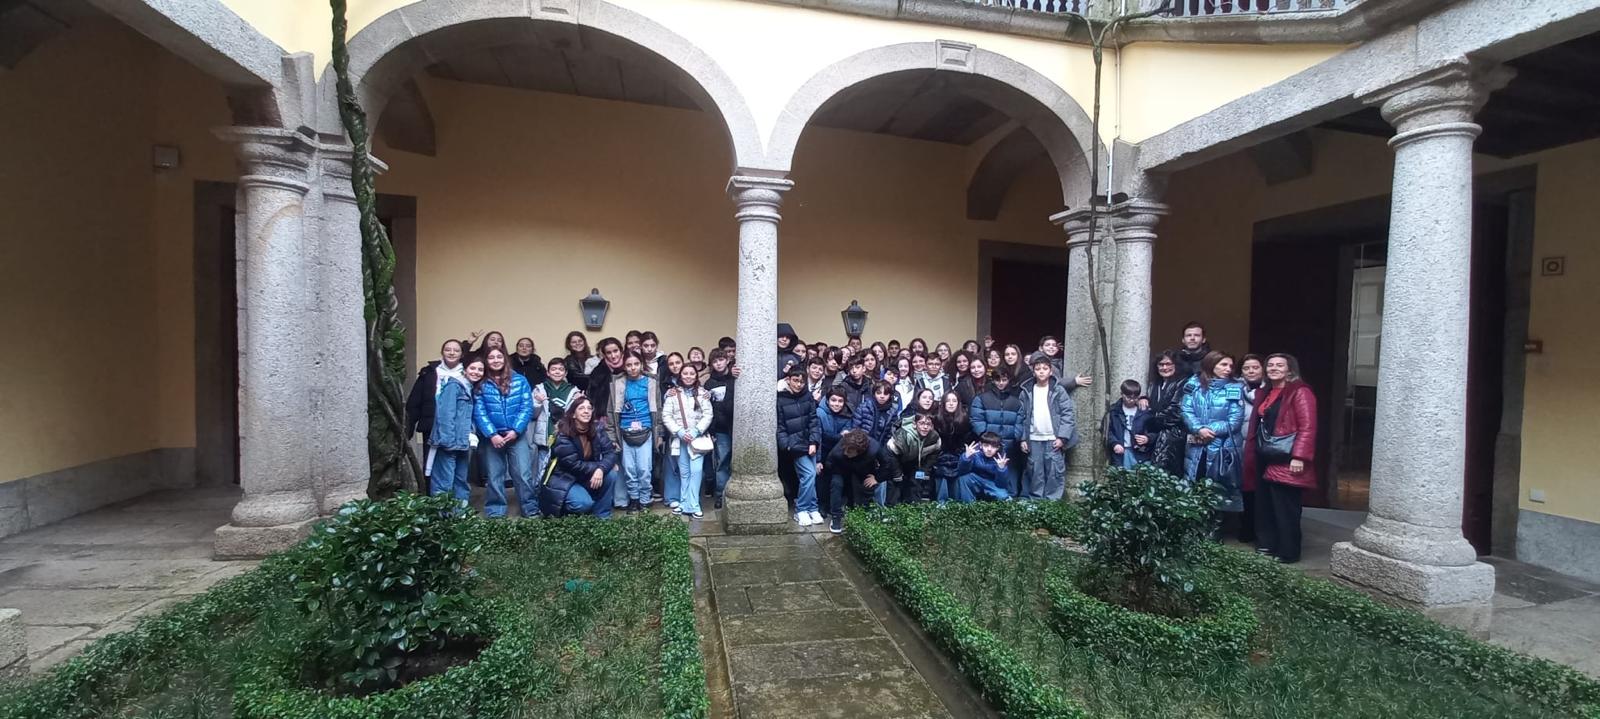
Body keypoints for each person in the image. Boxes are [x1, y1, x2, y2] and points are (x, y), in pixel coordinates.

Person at [1252, 354, 1318, 563]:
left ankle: (1288, 551)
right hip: (1267, 454)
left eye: (1279, 365)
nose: (1273, 368)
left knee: (1285, 507)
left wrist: (1299, 457)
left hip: (1287, 456)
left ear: (1290, 370)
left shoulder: (1300, 392)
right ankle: (1268, 544)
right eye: (1270, 365)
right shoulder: (1267, 392)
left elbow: (1308, 426)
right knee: (1266, 503)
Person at [1182, 351, 1246, 532]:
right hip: (1196, 446)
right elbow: (1186, 409)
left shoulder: (1235, 387)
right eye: (1223, 365)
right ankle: (1194, 526)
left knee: (1218, 486)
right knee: (1194, 481)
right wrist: (1198, 429)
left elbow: (1235, 420)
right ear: (1211, 365)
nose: (1228, 369)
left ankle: (1214, 529)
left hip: (1221, 446)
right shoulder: (1193, 384)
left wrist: (1210, 430)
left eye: (1230, 366)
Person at [474, 348, 538, 518]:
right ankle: (496, 512)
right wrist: (492, 434)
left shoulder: (520, 380)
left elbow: (526, 407)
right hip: (492, 439)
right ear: (486, 361)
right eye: (491, 357)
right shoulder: (482, 383)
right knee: (494, 476)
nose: (495, 360)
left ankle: (530, 509)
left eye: (499, 357)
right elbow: (479, 411)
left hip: (517, 437)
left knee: (523, 474)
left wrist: (516, 430)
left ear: (505, 359)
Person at [540, 396, 618, 518]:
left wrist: (601, 469)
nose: (586, 411)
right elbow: (573, 464)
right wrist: (599, 468)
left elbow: (610, 453)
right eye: (581, 408)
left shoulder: (597, 429)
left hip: (587, 475)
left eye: (589, 408)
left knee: (611, 474)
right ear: (573, 414)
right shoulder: (563, 434)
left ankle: (603, 515)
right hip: (566, 478)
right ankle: (564, 509)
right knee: (583, 504)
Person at [1018, 353, 1076, 500]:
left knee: (1054, 471)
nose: (1041, 371)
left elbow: (1067, 414)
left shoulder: (1058, 390)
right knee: (1035, 471)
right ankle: (1036, 501)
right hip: (1033, 437)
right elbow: (1022, 416)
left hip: (1053, 438)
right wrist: (1023, 438)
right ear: (1033, 371)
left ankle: (1052, 502)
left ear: (1050, 371)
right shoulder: (1027, 391)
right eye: (1038, 369)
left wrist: (1062, 437)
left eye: (1045, 368)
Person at [609, 352, 660, 513]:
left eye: (636, 364)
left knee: (644, 468)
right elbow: (611, 412)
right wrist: (612, 437)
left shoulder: (651, 382)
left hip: (646, 429)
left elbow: (659, 408)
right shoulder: (618, 383)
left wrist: (660, 435)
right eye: (629, 365)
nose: (632, 368)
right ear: (624, 366)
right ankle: (634, 499)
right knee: (629, 468)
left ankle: (645, 499)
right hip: (624, 430)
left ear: (641, 364)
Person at [663, 362, 713, 519]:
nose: (688, 376)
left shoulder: (702, 393)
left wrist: (696, 430)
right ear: (680, 375)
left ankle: (694, 504)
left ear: (696, 375)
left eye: (692, 373)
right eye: (685, 373)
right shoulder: (673, 394)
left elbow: (708, 414)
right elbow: (666, 415)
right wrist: (678, 431)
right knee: (684, 473)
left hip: (697, 439)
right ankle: (684, 502)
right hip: (680, 439)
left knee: (696, 471)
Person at [405, 339, 465, 470]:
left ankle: (452, 491)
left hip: (458, 427)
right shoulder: (429, 372)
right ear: (442, 352)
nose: (452, 353)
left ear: (461, 354)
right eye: (448, 349)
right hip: (431, 424)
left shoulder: (467, 373)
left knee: (455, 466)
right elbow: (414, 401)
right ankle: (429, 490)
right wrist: (408, 428)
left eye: (456, 350)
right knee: (430, 465)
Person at [428, 357, 483, 501]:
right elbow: (445, 414)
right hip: (450, 442)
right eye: (473, 368)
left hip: (462, 443)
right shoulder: (454, 386)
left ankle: (459, 515)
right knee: (444, 482)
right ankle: (442, 517)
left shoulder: (470, 388)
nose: (476, 372)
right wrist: (447, 441)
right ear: (464, 369)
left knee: (461, 481)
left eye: (480, 369)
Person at [823, 430, 898, 533]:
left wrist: (877, 478)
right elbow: (829, 463)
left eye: (849, 451)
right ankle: (836, 517)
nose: (845, 452)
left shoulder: (874, 448)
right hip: (840, 468)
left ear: (859, 451)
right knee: (836, 485)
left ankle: (863, 513)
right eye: (845, 449)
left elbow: (888, 464)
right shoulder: (839, 450)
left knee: (866, 487)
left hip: (863, 469)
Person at [776, 366, 822, 525]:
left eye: (802, 381)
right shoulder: (780, 399)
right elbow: (780, 426)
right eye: (795, 381)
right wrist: (787, 445)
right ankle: (801, 509)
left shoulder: (807, 396)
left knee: (811, 477)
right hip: (795, 445)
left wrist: (814, 441)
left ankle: (813, 508)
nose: (799, 384)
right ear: (788, 380)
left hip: (810, 442)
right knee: (808, 474)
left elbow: (814, 421)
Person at [970, 369, 1026, 495]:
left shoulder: (1016, 402)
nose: (1001, 383)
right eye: (998, 380)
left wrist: (1015, 436)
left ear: (1009, 381)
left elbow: (1020, 420)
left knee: (1009, 477)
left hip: (1009, 445)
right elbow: (976, 418)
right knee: (986, 475)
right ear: (993, 381)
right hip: (988, 445)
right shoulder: (982, 398)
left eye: (1004, 380)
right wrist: (985, 436)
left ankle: (1009, 498)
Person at [1144, 350, 1189, 478]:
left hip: (1173, 436)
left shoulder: (1183, 383)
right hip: (1153, 436)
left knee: (1168, 476)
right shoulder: (1154, 384)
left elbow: (1175, 412)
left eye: (1169, 364)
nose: (1164, 367)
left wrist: (1150, 421)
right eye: (1161, 364)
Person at [1237, 354, 1267, 544]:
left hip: (1260, 446)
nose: (1251, 371)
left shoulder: (1269, 390)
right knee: (1243, 489)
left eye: (1255, 367)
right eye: (1247, 368)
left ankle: (1260, 531)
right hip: (1238, 446)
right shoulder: (1234, 390)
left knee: (1259, 490)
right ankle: (1245, 529)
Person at [703, 348, 737, 509]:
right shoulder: (709, 383)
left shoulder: (734, 378)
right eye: (715, 361)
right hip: (721, 429)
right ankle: (720, 495)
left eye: (721, 360)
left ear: (727, 360)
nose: (719, 363)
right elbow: (707, 409)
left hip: (737, 427)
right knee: (722, 461)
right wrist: (712, 431)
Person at [816, 386, 855, 516]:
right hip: (823, 452)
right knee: (822, 480)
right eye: (833, 400)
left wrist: (835, 437)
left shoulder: (848, 415)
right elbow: (819, 437)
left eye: (840, 401)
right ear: (827, 400)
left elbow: (846, 437)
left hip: (839, 454)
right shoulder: (820, 413)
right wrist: (818, 460)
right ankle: (822, 506)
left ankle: (835, 508)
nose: (836, 404)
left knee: (837, 482)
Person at [887, 413, 941, 504]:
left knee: (916, 483)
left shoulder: (934, 438)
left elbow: (933, 455)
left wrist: (924, 471)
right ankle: (893, 512)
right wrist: (897, 474)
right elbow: (891, 452)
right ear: (914, 424)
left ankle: (914, 510)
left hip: (916, 463)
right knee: (896, 485)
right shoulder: (903, 435)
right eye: (922, 423)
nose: (925, 427)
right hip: (897, 461)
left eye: (928, 424)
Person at [1104, 379, 1151, 468]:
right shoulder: (1114, 411)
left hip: (1141, 452)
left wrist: (1147, 438)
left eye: (1135, 397)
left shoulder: (1144, 411)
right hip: (1121, 451)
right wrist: (1114, 443)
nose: (1132, 400)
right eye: (1128, 397)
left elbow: (1154, 430)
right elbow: (1107, 431)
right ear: (1122, 394)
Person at [932, 392, 970, 503]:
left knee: (958, 470)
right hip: (940, 454)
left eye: (954, 401)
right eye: (948, 401)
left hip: (959, 454)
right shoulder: (936, 419)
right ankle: (941, 502)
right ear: (943, 403)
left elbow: (967, 441)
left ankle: (957, 502)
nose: (951, 404)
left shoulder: (965, 419)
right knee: (941, 471)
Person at [955, 433, 1013, 503]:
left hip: (992, 482)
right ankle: (968, 505)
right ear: (981, 445)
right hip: (975, 479)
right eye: (986, 445)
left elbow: (1002, 484)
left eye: (993, 447)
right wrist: (966, 458)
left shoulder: (1001, 457)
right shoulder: (974, 451)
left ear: (998, 448)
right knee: (964, 478)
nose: (989, 449)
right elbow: (962, 471)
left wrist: (1001, 469)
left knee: (1003, 496)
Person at [854, 380, 902, 446]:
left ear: (890, 395)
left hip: (880, 447)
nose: (882, 396)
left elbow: (889, 434)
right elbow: (855, 428)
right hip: (861, 445)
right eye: (879, 393)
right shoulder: (863, 407)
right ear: (874, 394)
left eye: (885, 394)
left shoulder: (892, 412)